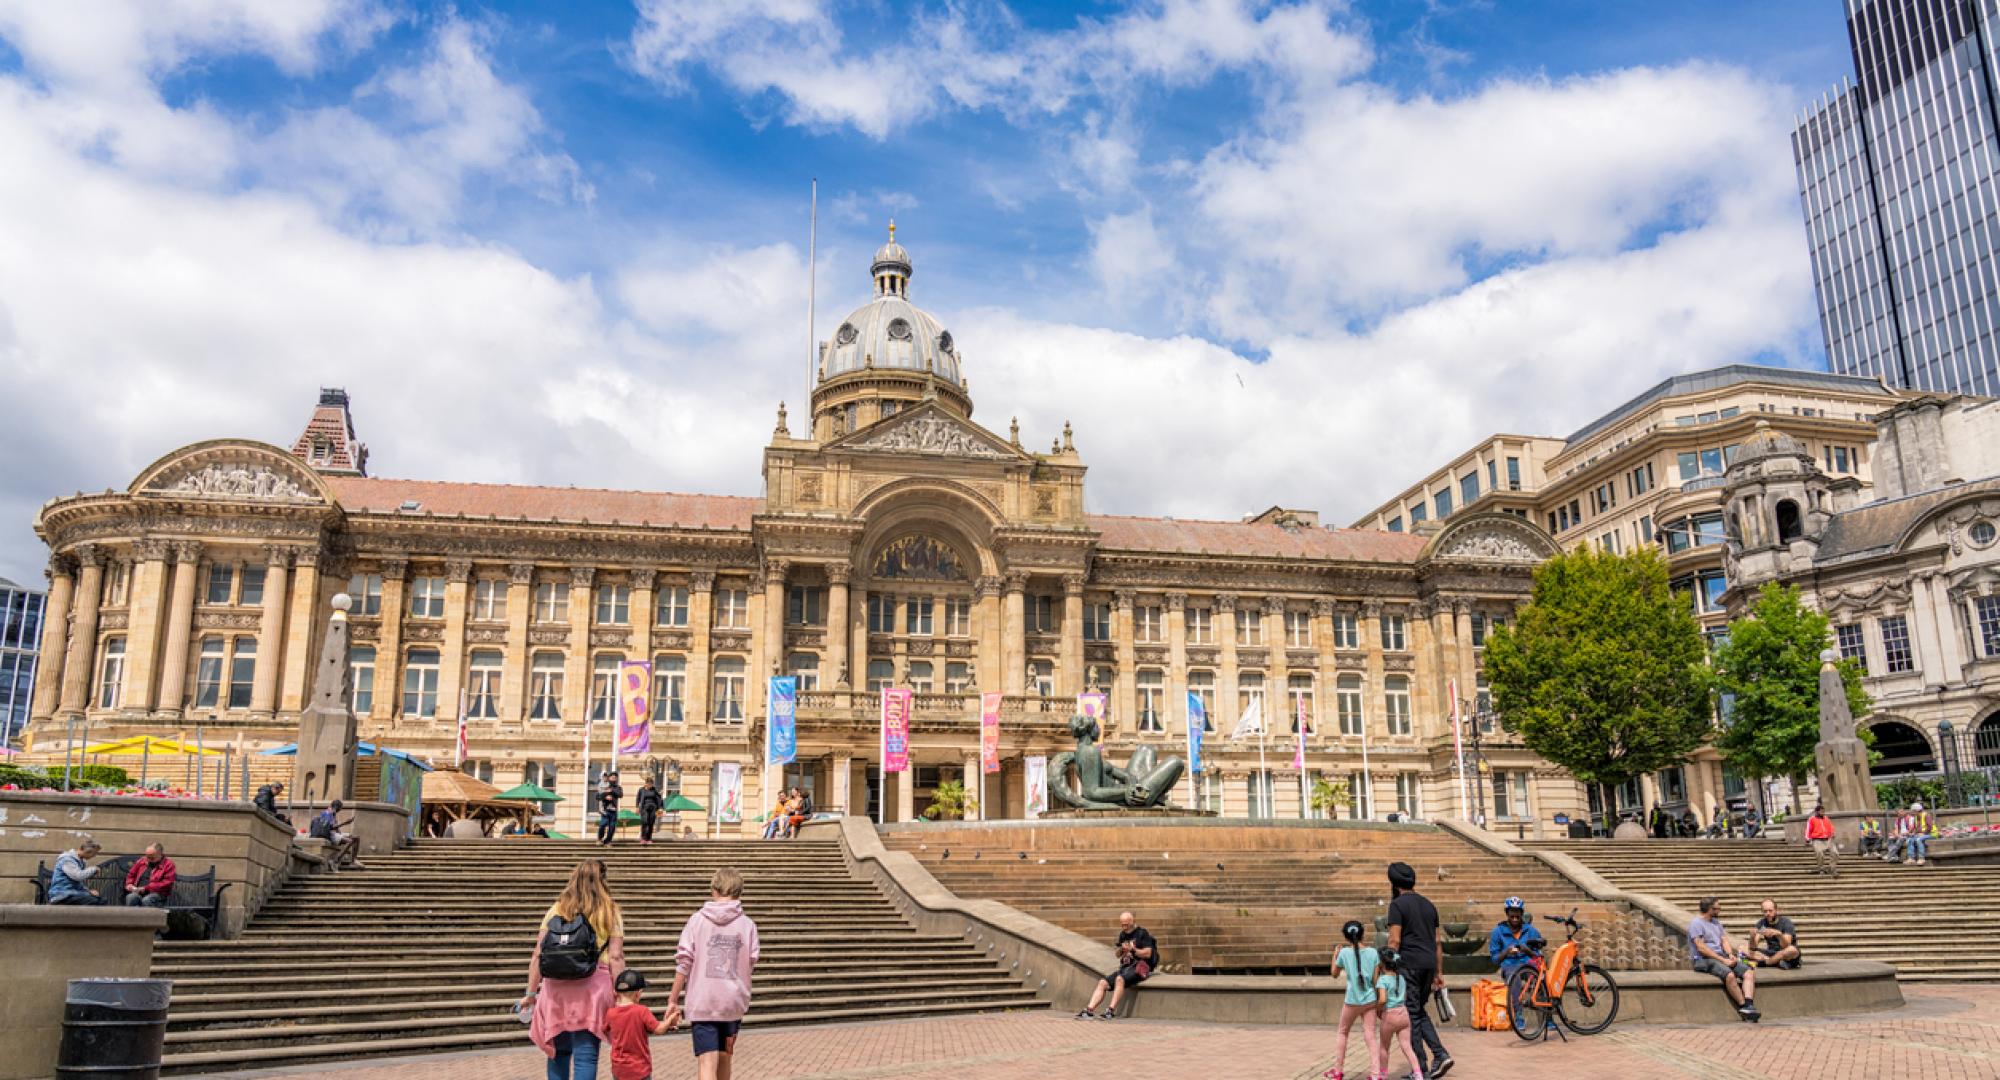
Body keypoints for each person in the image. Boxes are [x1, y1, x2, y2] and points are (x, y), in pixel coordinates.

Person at [521, 859, 625, 1080]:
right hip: (593, 989)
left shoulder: (557, 908)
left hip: (555, 988)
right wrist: (621, 992)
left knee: (558, 1053)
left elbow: (538, 953)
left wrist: (531, 994)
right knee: (585, 1056)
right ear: (603, 880)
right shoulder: (609, 909)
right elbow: (616, 955)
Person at [668, 867, 760, 1080]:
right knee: (725, 1057)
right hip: (732, 1003)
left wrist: (673, 999)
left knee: (707, 1062)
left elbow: (684, 961)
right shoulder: (748, 925)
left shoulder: (697, 920)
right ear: (739, 892)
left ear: (714, 890)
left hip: (704, 1001)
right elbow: (750, 962)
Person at [1386, 862, 1452, 1078]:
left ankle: (1420, 1068)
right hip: (1428, 964)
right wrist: (1438, 973)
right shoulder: (1428, 904)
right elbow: (1437, 943)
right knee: (1418, 1011)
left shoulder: (1397, 905)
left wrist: (1387, 968)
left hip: (1409, 966)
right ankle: (1439, 1055)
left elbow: (1394, 941)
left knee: (1410, 1016)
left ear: (1395, 885)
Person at [1323, 918, 1382, 1080]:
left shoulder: (1344, 953)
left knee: (1342, 1033)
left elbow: (1334, 974)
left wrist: (1335, 955)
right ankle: (1376, 1074)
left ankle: (1338, 1071)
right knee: (1370, 1035)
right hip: (1370, 1000)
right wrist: (1380, 1002)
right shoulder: (1373, 953)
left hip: (1351, 1001)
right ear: (1363, 934)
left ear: (1346, 936)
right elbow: (1376, 981)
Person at [1689, 896, 1758, 1021]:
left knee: (1748, 972)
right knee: (1730, 975)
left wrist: (1730, 954)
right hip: (1703, 959)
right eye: (1717, 908)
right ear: (1710, 909)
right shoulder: (1696, 924)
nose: (1719, 910)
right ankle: (1742, 1005)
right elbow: (1701, 948)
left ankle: (1749, 1005)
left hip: (1721, 956)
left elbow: (1724, 940)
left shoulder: (1716, 923)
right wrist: (1723, 960)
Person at [1078, 911, 1157, 1020]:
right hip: (1125, 967)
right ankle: (1089, 1010)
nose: (1124, 927)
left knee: (1120, 979)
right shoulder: (1122, 935)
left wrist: (1132, 950)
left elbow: (1148, 953)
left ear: (1132, 922)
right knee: (1102, 983)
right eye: (1122, 924)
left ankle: (1110, 1011)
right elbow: (1117, 955)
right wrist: (1121, 949)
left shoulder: (1142, 933)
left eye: (1126, 924)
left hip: (1138, 967)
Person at [606, 968, 675, 1080]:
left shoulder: (611, 1013)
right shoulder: (641, 1011)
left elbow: (604, 1029)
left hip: (619, 1069)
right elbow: (659, 1029)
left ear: (616, 993)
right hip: (640, 1068)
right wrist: (670, 1019)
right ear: (638, 993)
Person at [1375, 948, 1424, 1080]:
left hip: (1389, 1016)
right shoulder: (1401, 978)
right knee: (1407, 1046)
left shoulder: (1382, 980)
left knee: (1384, 1047)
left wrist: (1377, 1009)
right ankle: (1418, 1073)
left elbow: (1383, 999)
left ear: (1381, 963)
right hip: (1403, 1014)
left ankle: (1383, 1075)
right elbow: (1405, 996)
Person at [1486, 897, 1544, 979]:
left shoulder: (1531, 930)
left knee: (1538, 977)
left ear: (1522, 914)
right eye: (1512, 916)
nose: (1515, 919)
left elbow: (1539, 958)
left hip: (1528, 965)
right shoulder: (1498, 931)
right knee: (1513, 979)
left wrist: (1527, 951)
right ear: (1507, 914)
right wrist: (1506, 952)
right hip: (1509, 966)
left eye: (1517, 917)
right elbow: (1495, 960)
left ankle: (1538, 991)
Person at [48, 837, 106, 905]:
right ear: (88, 851)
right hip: (61, 895)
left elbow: (77, 883)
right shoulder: (67, 860)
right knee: (97, 901)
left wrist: (88, 891)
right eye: (94, 854)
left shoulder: (79, 861)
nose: (94, 856)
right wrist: (94, 869)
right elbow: (78, 876)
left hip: (71, 893)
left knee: (100, 900)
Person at [1750, 898, 1801, 970]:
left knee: (1792, 950)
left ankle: (1766, 962)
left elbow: (1786, 946)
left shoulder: (1786, 922)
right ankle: (1777, 961)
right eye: (1765, 911)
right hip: (1771, 952)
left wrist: (1779, 935)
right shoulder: (1762, 923)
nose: (1768, 913)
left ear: (1776, 910)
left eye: (1770, 911)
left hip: (1786, 952)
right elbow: (1753, 947)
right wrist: (1752, 936)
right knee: (1742, 948)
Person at [310, 800, 362, 868]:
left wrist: (341, 835)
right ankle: (336, 860)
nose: (340, 810)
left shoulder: (333, 813)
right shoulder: (327, 813)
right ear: (336, 806)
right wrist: (345, 823)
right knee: (350, 841)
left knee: (356, 838)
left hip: (334, 833)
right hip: (329, 834)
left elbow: (336, 827)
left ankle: (353, 861)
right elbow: (330, 827)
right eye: (340, 808)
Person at [124, 843, 177, 907]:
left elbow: (167, 883)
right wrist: (129, 884)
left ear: (160, 854)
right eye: (147, 856)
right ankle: (132, 917)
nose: (148, 859)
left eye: (152, 857)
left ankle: (147, 917)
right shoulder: (142, 861)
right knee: (131, 897)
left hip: (157, 894)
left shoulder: (168, 865)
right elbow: (131, 874)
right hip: (138, 891)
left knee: (147, 900)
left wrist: (146, 888)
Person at [1806, 805, 1839, 877]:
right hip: (1817, 840)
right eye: (1821, 811)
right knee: (1819, 853)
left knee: (1835, 853)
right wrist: (1807, 838)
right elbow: (1808, 829)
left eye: (1824, 811)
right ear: (1817, 812)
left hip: (1828, 839)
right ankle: (1821, 868)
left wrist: (1832, 833)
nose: (1823, 813)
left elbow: (1831, 827)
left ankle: (1832, 868)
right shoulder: (1811, 819)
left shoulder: (1826, 818)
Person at [597, 773, 623, 846]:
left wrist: (612, 790)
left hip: (613, 810)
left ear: (616, 779)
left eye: (615, 778)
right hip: (605, 810)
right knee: (602, 824)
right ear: (609, 778)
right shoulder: (604, 786)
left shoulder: (618, 787)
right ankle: (600, 838)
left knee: (612, 827)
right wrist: (605, 797)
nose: (613, 779)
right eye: (612, 777)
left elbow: (620, 795)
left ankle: (608, 841)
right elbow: (598, 796)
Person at [636, 779, 663, 845]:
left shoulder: (654, 790)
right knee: (644, 822)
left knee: (651, 823)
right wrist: (637, 807)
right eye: (648, 783)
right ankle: (643, 838)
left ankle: (649, 838)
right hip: (644, 808)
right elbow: (638, 798)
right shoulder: (641, 790)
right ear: (646, 783)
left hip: (653, 808)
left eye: (651, 784)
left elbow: (659, 799)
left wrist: (660, 809)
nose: (650, 785)